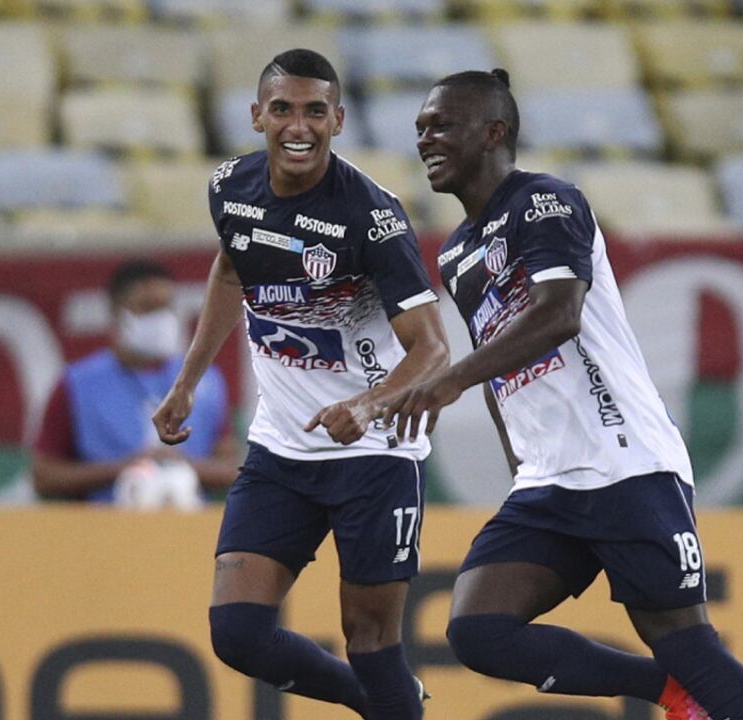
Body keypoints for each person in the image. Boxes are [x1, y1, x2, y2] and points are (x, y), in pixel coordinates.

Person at [382, 69, 743, 720]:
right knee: (478, 630)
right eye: (421, 127)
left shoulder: (545, 201)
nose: (426, 138)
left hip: (623, 462)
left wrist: (449, 377)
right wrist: (521, 466)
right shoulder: (456, 252)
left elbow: (558, 314)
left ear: (494, 131)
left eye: (442, 125)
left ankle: (680, 680)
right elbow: (499, 366)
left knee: (688, 645)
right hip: (549, 484)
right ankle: (664, 691)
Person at [151, 49, 448, 720]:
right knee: (238, 634)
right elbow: (233, 272)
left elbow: (432, 346)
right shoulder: (230, 187)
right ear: (257, 115)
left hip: (374, 456)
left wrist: (367, 405)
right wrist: (188, 380)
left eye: (316, 111)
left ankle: (382, 692)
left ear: (339, 120)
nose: (298, 126)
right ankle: (375, 703)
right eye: (282, 109)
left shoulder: (373, 216)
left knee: (372, 643)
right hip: (283, 451)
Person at [31, 258, 239, 505]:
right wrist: (125, 468)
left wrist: (183, 467)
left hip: (186, 526)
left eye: (166, 308)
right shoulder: (77, 385)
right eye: (148, 308)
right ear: (116, 312)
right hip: (107, 528)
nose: (160, 319)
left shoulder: (206, 380)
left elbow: (231, 468)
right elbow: (43, 476)